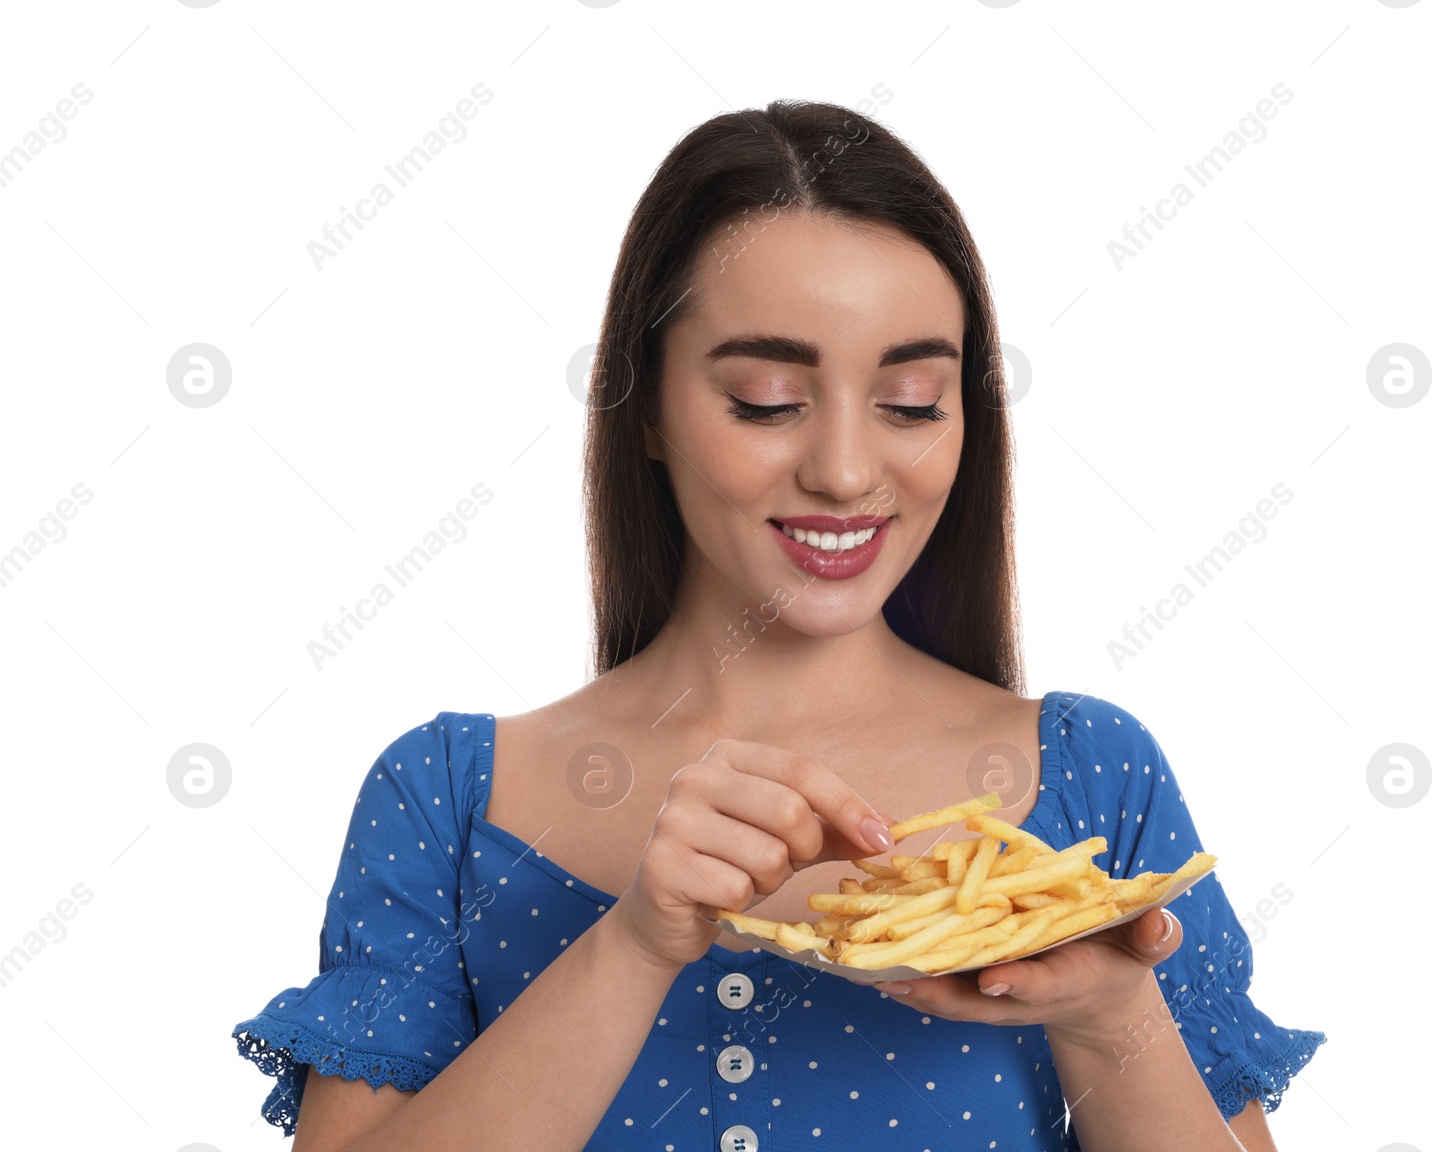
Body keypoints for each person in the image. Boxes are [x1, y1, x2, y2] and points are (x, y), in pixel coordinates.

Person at [232, 98, 1325, 1151]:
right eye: (764, 398)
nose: (847, 471)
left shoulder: (1095, 776)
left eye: (910, 404)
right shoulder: (448, 802)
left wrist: (1109, 1017)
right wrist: (634, 945)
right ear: (647, 408)